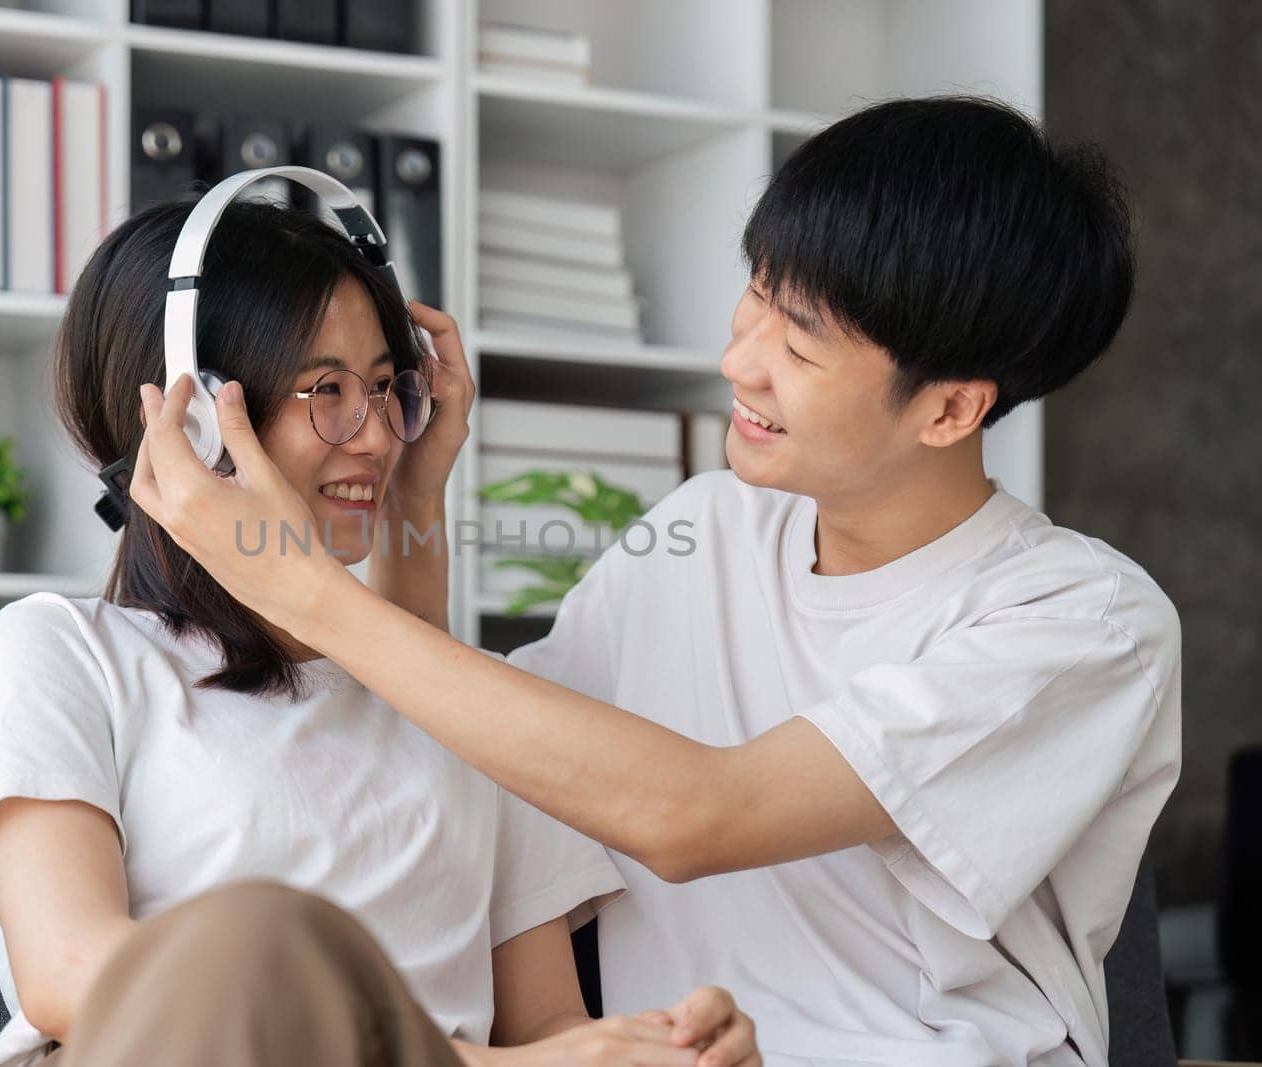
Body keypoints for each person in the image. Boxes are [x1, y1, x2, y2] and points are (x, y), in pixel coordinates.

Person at [127, 96, 1183, 1066]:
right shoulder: (706, 525)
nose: (739, 360)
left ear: (949, 410)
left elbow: (697, 815)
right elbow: (468, 735)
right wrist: (411, 495)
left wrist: (290, 577)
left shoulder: (1082, 622)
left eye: (799, 345)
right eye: (757, 294)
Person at [0, 197, 759, 1067]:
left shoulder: (470, 706)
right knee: (257, 934)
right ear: (187, 417)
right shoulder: (63, 650)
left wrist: (659, 1047)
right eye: (326, 390)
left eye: (383, 388)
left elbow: (547, 1025)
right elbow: (74, 976)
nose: (373, 435)